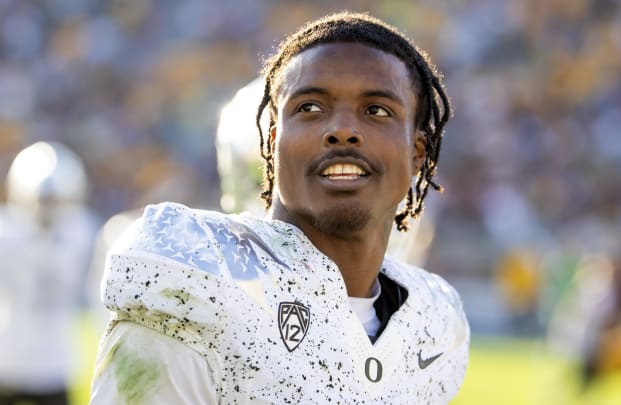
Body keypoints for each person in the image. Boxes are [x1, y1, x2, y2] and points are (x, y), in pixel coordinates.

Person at [90, 12, 469, 404]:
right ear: (271, 144)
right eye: (310, 107)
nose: (342, 129)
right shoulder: (195, 285)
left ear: (417, 153)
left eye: (376, 110)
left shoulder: (433, 324)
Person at [0, 142, 99, 405]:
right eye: (43, 200)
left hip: (56, 361)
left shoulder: (83, 231)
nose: (47, 208)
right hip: (9, 355)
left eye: (54, 200)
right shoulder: (6, 234)